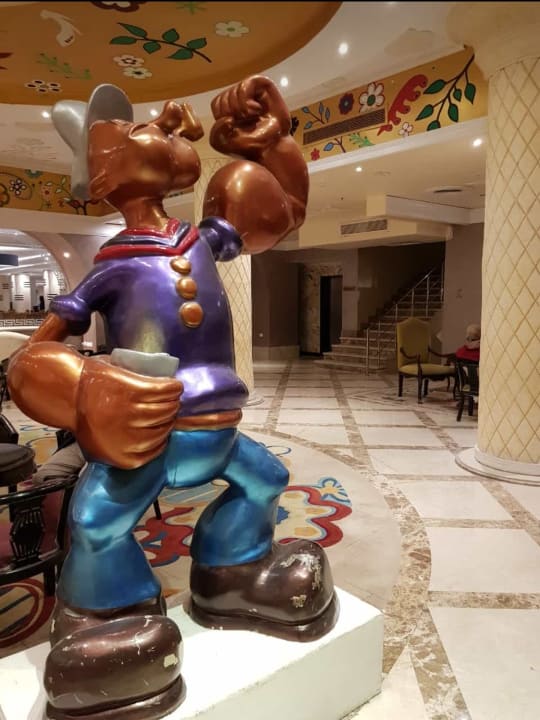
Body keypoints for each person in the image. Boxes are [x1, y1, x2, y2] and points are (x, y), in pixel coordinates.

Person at [7, 79, 337, 718]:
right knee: (97, 522)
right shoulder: (112, 264)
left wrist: (275, 144)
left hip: (219, 428)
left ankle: (233, 572)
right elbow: (34, 358)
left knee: (267, 481)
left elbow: (287, 209)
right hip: (153, 438)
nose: (168, 121)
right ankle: (104, 615)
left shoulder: (201, 239)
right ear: (108, 172)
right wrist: (89, 390)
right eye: (144, 130)